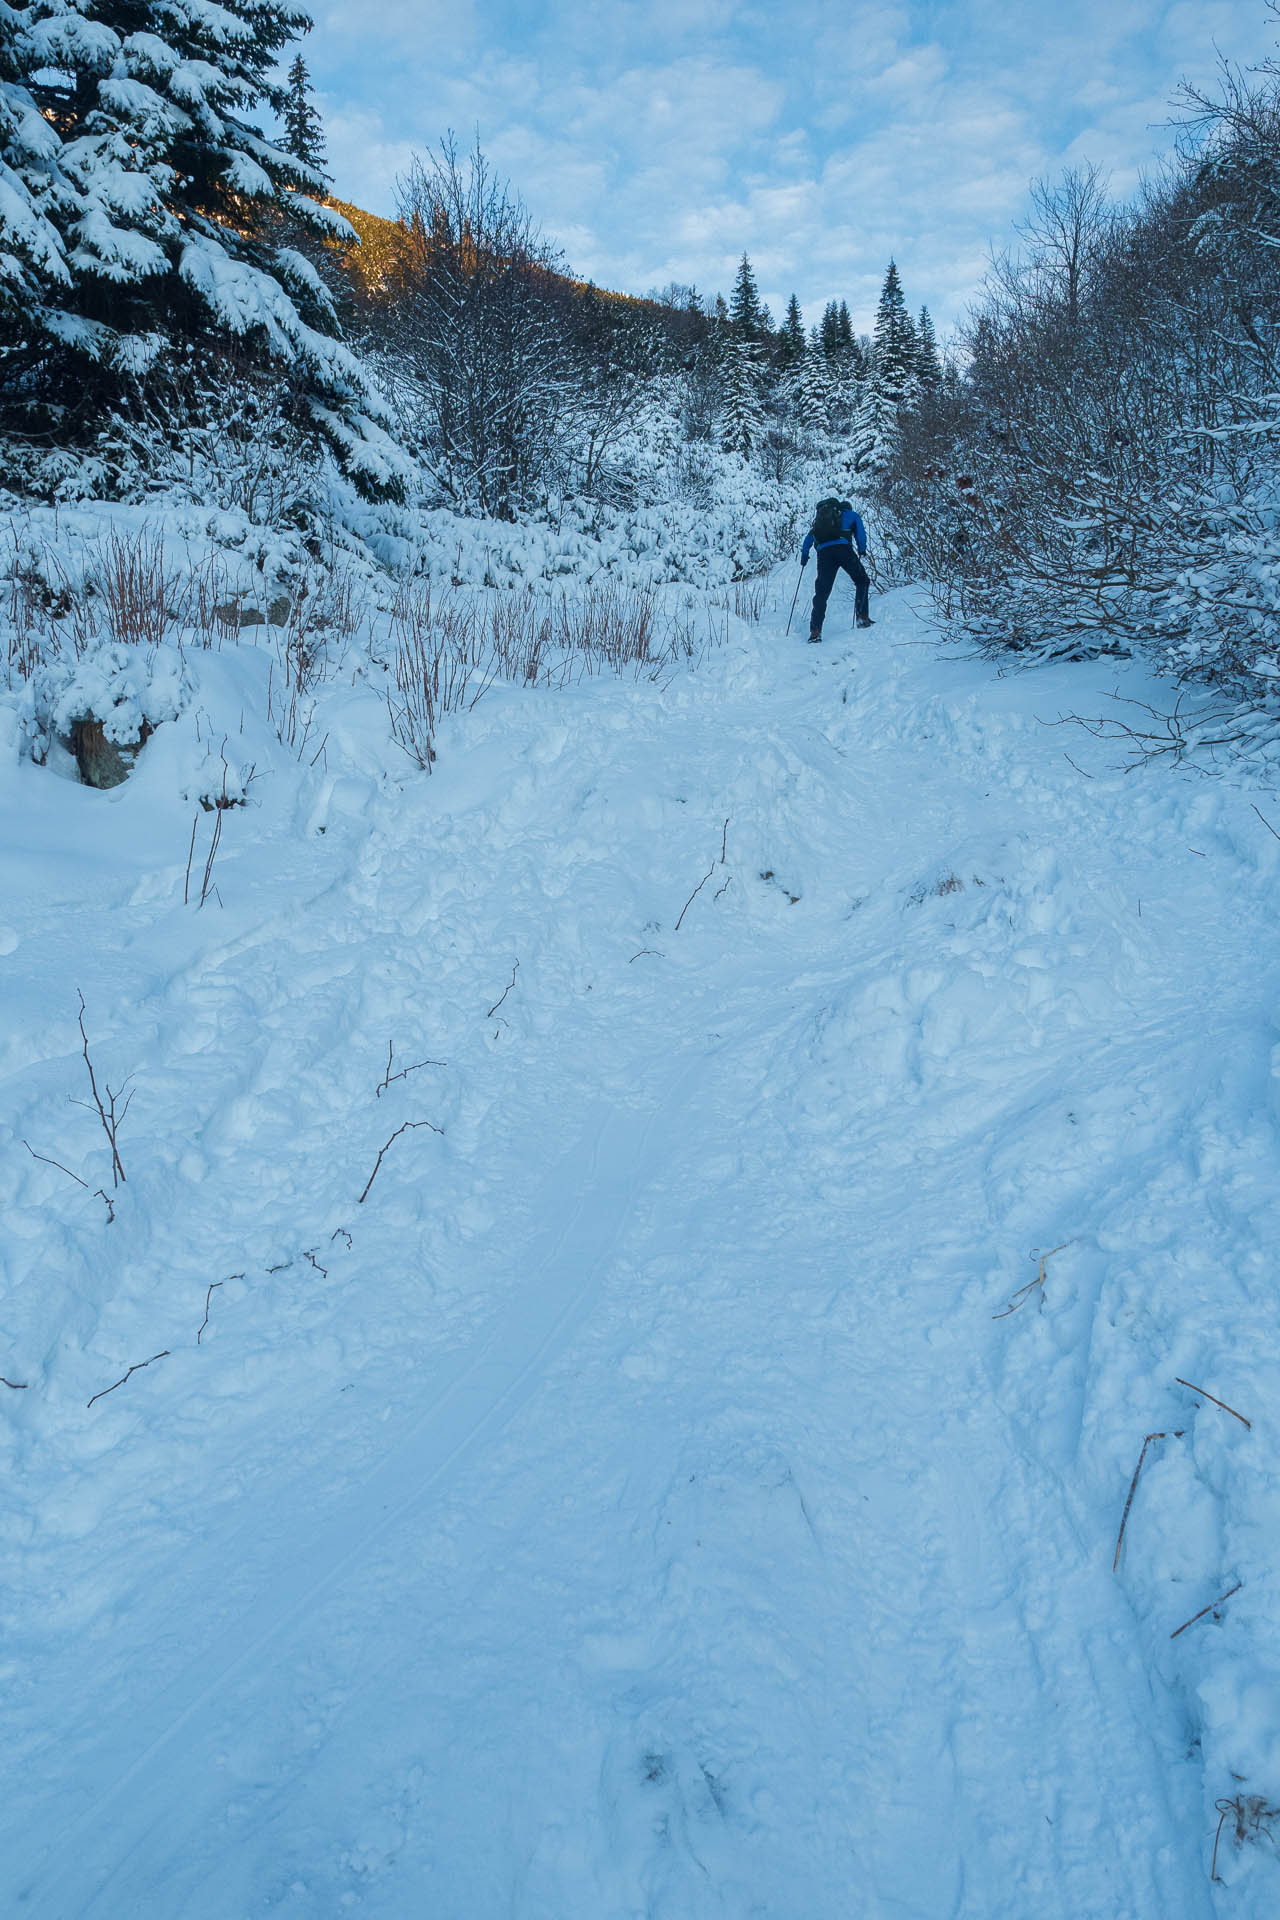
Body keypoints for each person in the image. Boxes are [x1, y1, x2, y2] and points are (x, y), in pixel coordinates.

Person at [799, 498, 873, 642]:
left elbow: (808, 540)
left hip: (824, 555)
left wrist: (804, 557)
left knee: (821, 593)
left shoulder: (820, 521)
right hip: (843, 550)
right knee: (862, 580)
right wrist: (862, 549)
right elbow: (861, 534)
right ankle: (862, 618)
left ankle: (815, 632)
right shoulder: (850, 515)